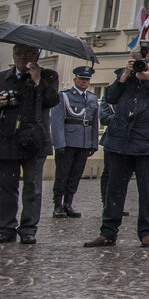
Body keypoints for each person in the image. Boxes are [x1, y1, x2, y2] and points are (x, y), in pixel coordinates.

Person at [85, 55, 149, 248]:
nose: (140, 63)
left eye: (143, 59)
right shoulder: (125, 76)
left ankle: (147, 232)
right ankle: (108, 232)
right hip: (121, 141)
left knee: (148, 190)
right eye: (135, 59)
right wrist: (124, 76)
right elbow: (110, 97)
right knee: (114, 190)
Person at [0, 44, 60, 244]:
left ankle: (28, 229)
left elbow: (52, 100)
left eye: (27, 53)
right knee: (6, 187)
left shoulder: (48, 76)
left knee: (32, 187)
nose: (21, 57)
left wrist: (37, 80)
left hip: (34, 140)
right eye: (17, 53)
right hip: (7, 139)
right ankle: (5, 227)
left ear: (36, 55)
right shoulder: (3, 77)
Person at [50, 66, 98, 219]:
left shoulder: (91, 98)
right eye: (82, 79)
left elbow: (94, 123)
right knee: (62, 174)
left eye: (87, 79)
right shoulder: (64, 96)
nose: (84, 82)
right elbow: (57, 121)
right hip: (68, 142)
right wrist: (59, 143)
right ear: (75, 79)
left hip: (84, 142)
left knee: (76, 175)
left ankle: (68, 204)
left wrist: (93, 144)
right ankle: (58, 205)